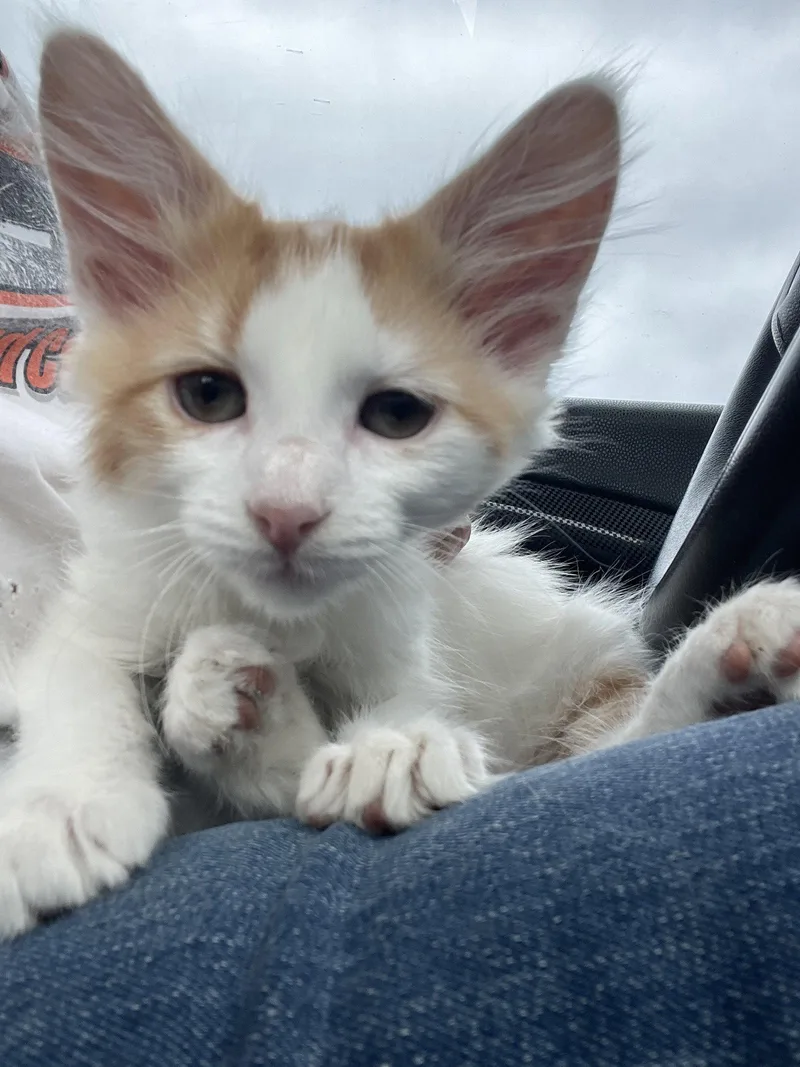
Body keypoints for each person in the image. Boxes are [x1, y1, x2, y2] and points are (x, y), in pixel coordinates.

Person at [1, 48, 799, 1066]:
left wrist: (352, 739)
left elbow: (388, 706)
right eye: (210, 394)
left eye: (393, 409)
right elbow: (86, 648)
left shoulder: (387, 583)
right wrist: (80, 768)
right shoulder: (133, 555)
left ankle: (650, 727)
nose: (288, 502)